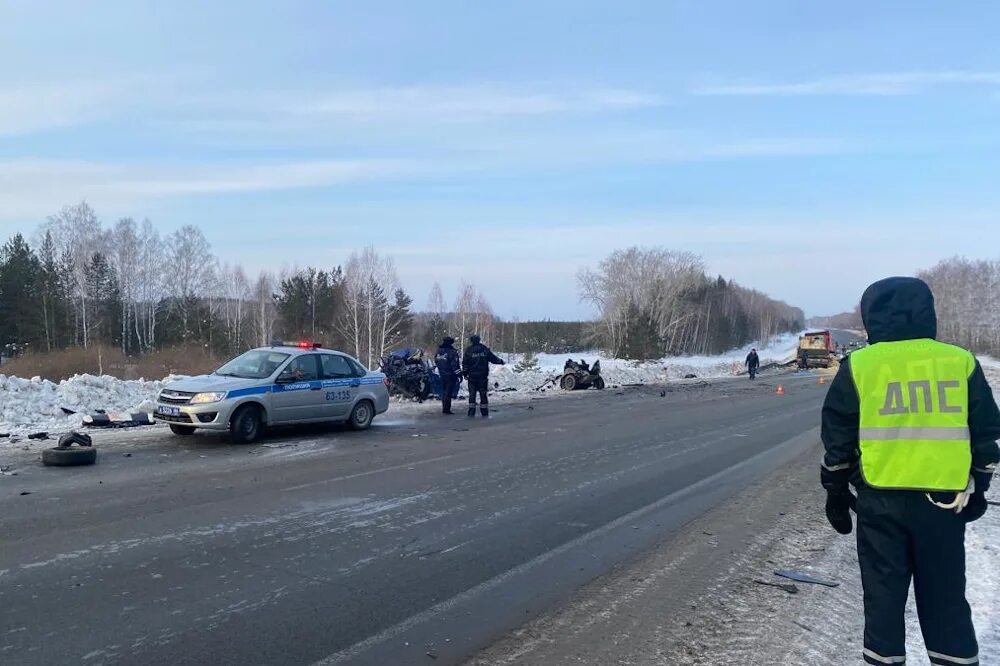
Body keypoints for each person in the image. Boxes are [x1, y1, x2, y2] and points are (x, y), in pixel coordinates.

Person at [821, 276, 1000, 666]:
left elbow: (838, 433)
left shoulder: (861, 365)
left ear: (871, 318)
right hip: (943, 503)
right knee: (945, 596)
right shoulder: (960, 361)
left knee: (883, 597)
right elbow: (987, 431)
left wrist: (835, 489)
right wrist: (981, 485)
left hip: (879, 503)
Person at [462, 334, 505, 417]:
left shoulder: (469, 350)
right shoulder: (484, 349)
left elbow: (465, 363)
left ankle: (471, 412)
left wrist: (465, 373)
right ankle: (484, 412)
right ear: (479, 340)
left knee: (472, 394)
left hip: (472, 377)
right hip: (482, 376)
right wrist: (501, 361)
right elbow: (493, 358)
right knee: (483, 394)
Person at [434, 336, 462, 415]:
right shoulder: (452, 352)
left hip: (442, 374)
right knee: (448, 392)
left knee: (444, 391)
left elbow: (436, 361)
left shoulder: (438, 351)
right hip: (450, 375)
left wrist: (441, 369)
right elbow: (455, 364)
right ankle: (446, 409)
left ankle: (444, 408)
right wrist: (459, 374)